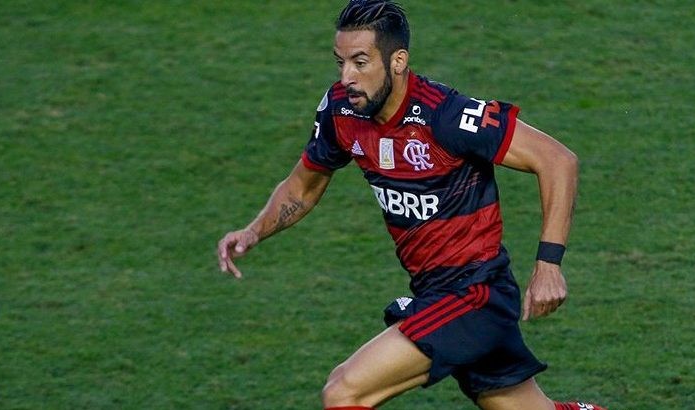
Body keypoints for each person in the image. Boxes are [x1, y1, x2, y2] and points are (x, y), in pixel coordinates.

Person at [216, 1, 605, 409]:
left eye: (361, 62)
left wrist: (548, 265)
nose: (347, 76)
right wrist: (254, 230)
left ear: (398, 61)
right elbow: (302, 187)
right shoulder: (341, 111)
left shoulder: (446, 116)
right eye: (341, 62)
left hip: (475, 296)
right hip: (434, 291)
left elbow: (558, 160)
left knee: (344, 389)